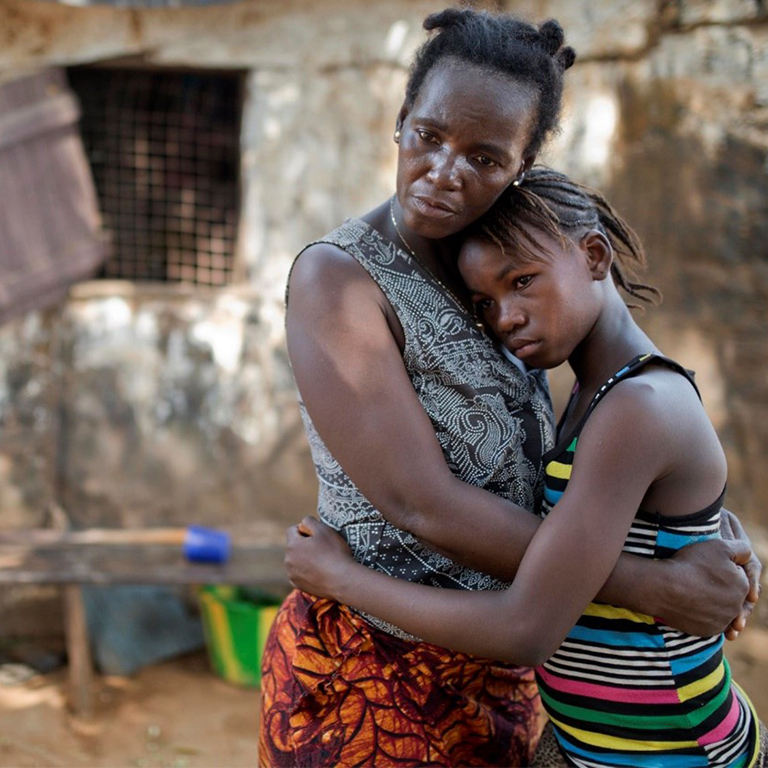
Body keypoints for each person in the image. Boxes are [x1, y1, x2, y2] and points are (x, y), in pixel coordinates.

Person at [261, 8, 761, 767]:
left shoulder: (488, 266)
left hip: (509, 675)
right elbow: (417, 500)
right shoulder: (340, 278)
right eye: (429, 135)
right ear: (400, 123)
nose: (445, 171)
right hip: (379, 667)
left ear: (521, 165)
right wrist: (653, 586)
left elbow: (607, 449)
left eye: (485, 158)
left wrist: (700, 531)